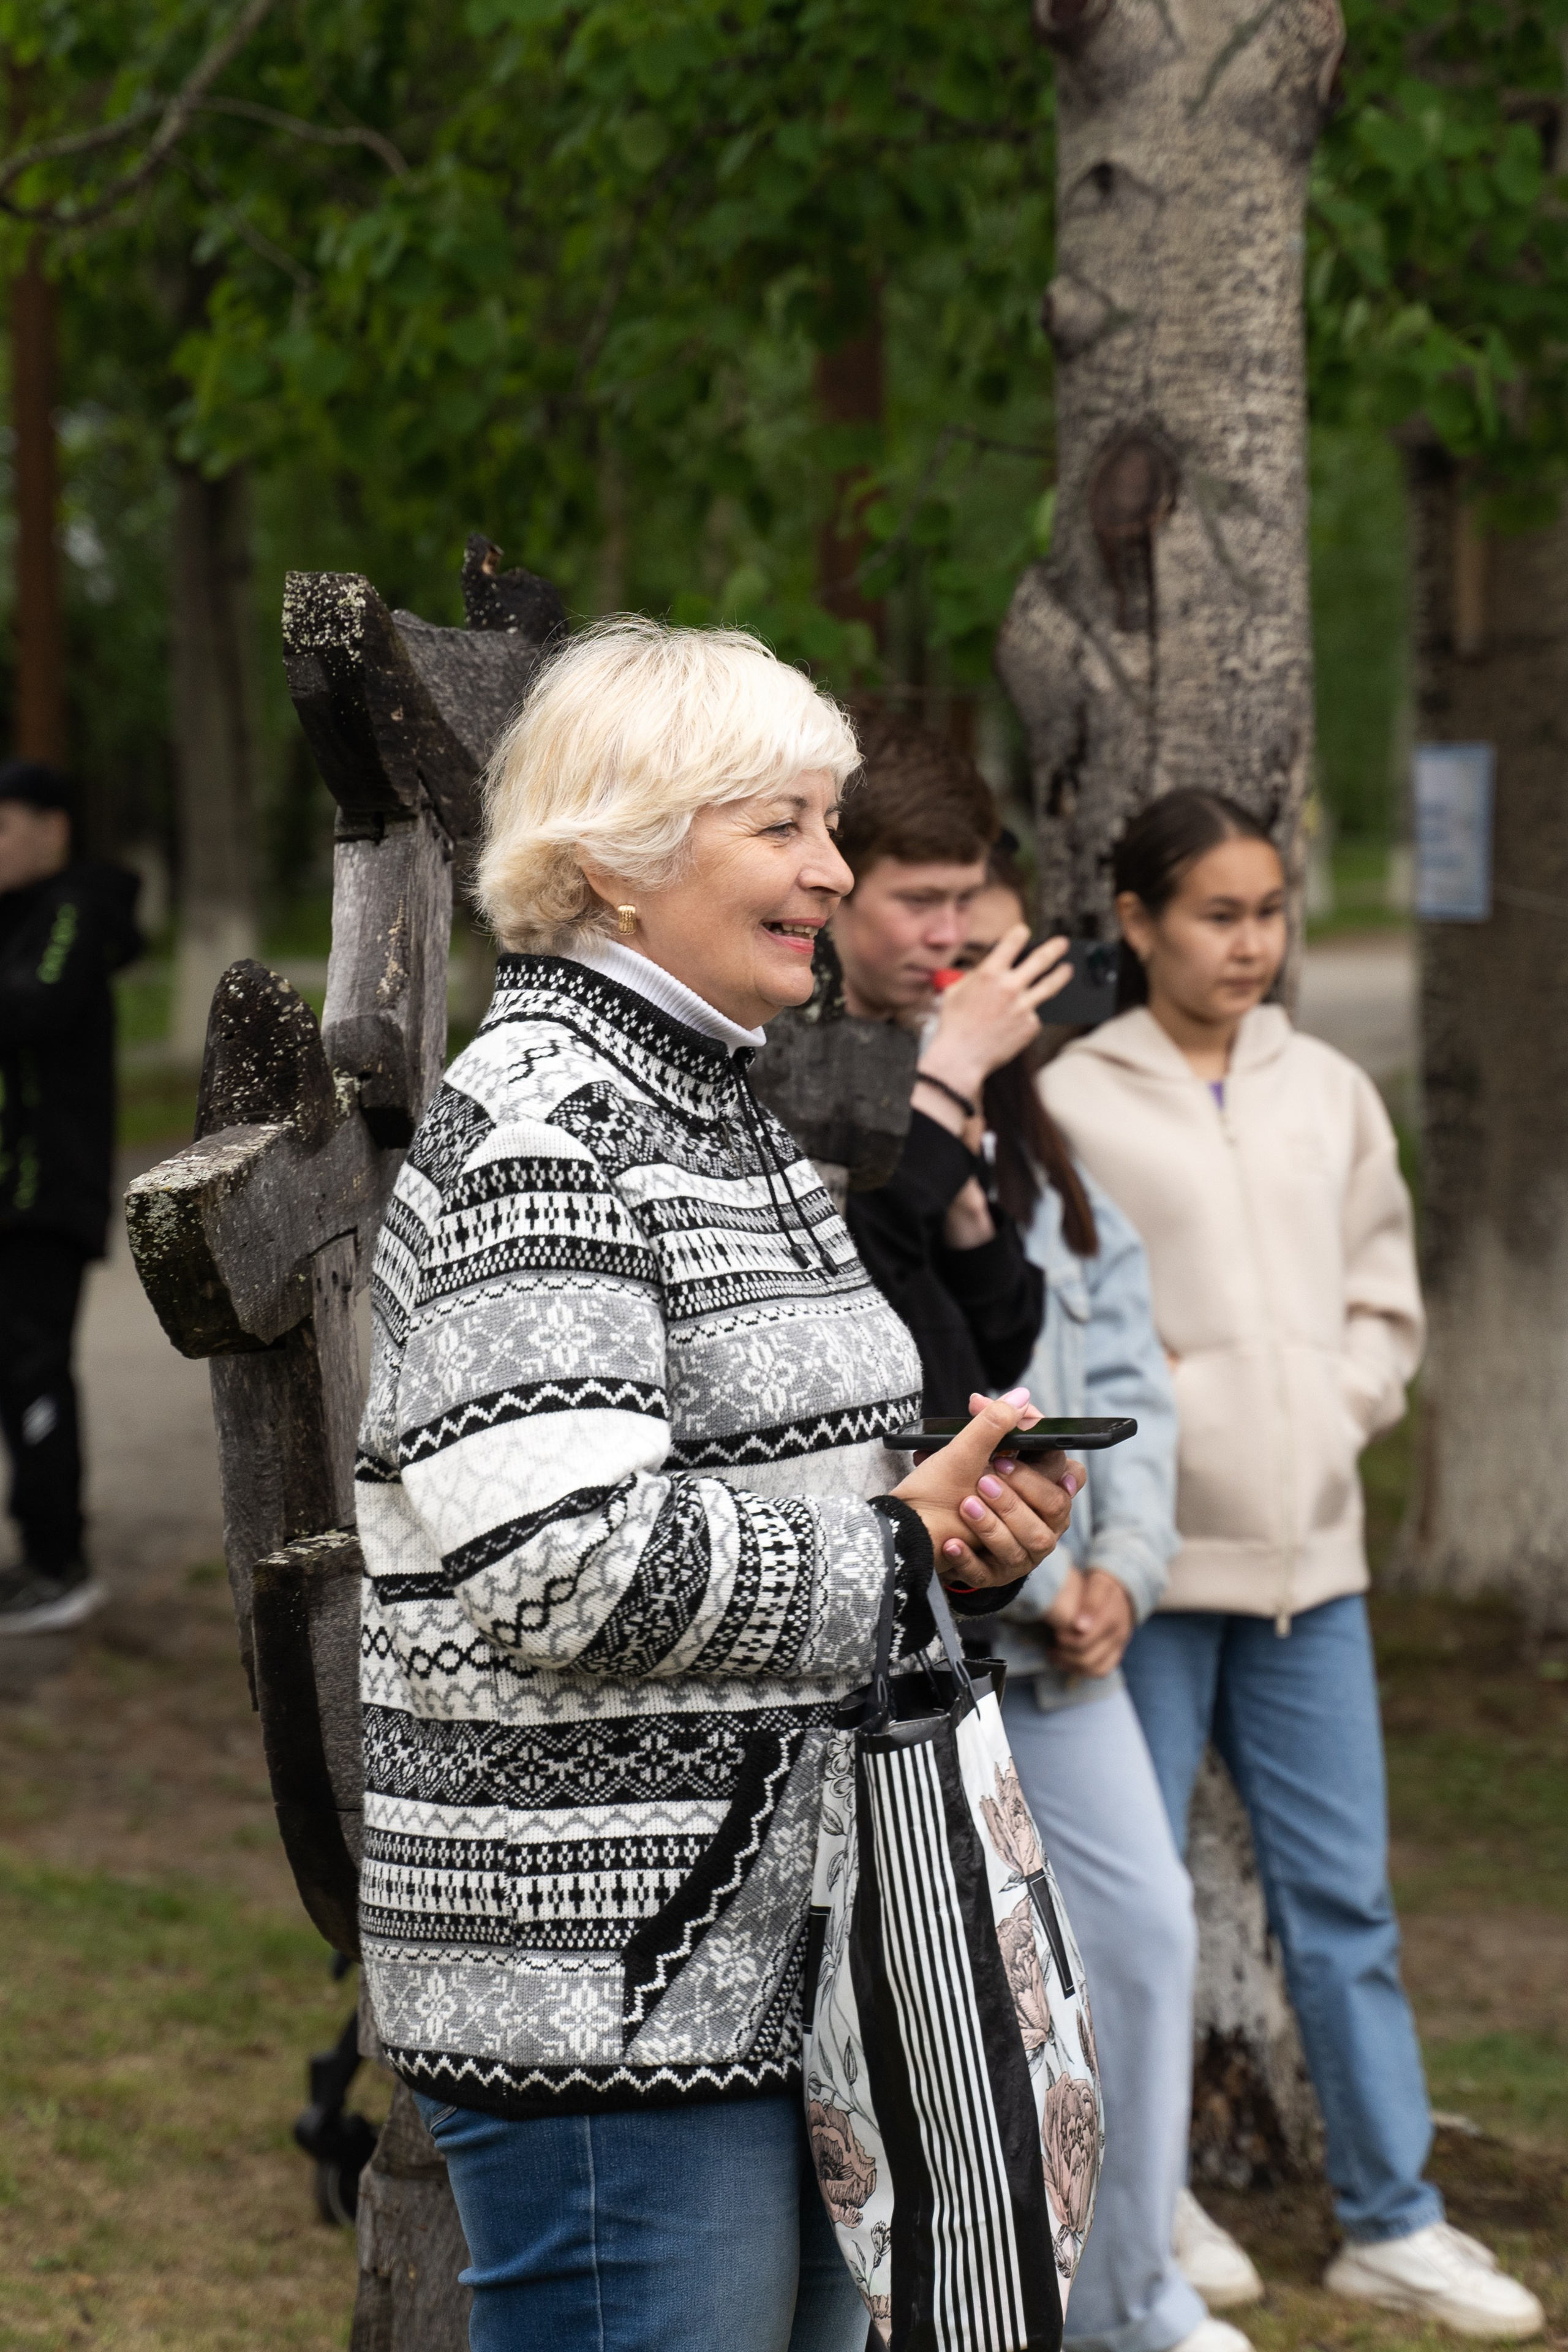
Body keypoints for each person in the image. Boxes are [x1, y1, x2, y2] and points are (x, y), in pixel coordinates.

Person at [353, 619, 1081, 2352]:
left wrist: (956, 1542)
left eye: (830, 826)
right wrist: (888, 1547)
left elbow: (802, 1484)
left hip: (775, 1962)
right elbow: (556, 1565)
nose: (833, 870)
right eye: (784, 825)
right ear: (614, 855)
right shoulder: (547, 1133)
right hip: (604, 1992)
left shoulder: (718, 1109)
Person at [1043, 788, 1544, 2342]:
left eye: (1268, 910)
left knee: (1342, 1904)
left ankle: (1389, 2217)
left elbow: (1382, 1298)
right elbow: (1065, 1325)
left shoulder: (1328, 1089)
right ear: (1134, 923)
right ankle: (1148, 2205)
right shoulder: (1068, 1096)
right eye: (1215, 912)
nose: (1249, 941)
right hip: (1145, 1576)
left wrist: (1328, 1413)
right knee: (1132, 1915)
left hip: (1309, 1571)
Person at [838, 744, 1264, 2352]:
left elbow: (1046, 1358)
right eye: (929, 909)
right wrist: (941, 1106)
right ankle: (956, 2304)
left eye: (986, 925)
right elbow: (889, 1342)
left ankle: (1131, 2299)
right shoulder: (836, 1087)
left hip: (1037, 1618)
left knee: (1144, 1937)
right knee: (947, 2004)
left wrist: (1118, 1572)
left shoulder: (1044, 1146)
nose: (962, 953)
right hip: (906, 1626)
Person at [831, 714, 1064, 1411]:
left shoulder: (921, 1045)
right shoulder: (780, 1052)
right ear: (834, 885)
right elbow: (858, 1278)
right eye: (918, 901)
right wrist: (952, 1075)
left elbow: (1006, 1342)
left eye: (964, 899)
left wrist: (964, 1199)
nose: (948, 936)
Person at [0, 760, 141, 1637]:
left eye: (7, 827)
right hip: (9, 1198)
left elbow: (34, 1008)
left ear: (54, 830)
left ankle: (61, 1563)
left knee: (33, 1369)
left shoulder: (75, 912)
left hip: (47, 1196)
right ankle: (42, 1552)